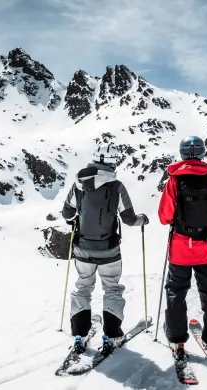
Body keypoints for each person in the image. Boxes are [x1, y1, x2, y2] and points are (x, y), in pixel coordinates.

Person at [62, 143, 149, 353]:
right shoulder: (117, 186)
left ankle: (79, 335)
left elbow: (67, 214)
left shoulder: (79, 184)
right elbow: (129, 219)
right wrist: (143, 220)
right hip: (109, 249)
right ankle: (112, 336)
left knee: (83, 287)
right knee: (112, 288)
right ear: (113, 162)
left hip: (83, 248)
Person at [158, 136, 207, 358]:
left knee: (176, 292)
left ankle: (177, 341)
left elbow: (164, 216)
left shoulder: (174, 181)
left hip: (180, 249)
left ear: (181, 153)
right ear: (202, 153)